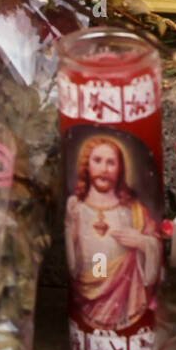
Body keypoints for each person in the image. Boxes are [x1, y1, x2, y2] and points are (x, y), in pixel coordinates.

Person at [64, 135, 161, 330]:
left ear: (120, 169)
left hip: (125, 299)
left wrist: (142, 242)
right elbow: (72, 265)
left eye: (111, 163)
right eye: (97, 160)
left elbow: (155, 243)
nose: (104, 169)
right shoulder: (76, 207)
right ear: (86, 165)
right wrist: (71, 233)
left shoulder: (133, 210)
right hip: (88, 290)